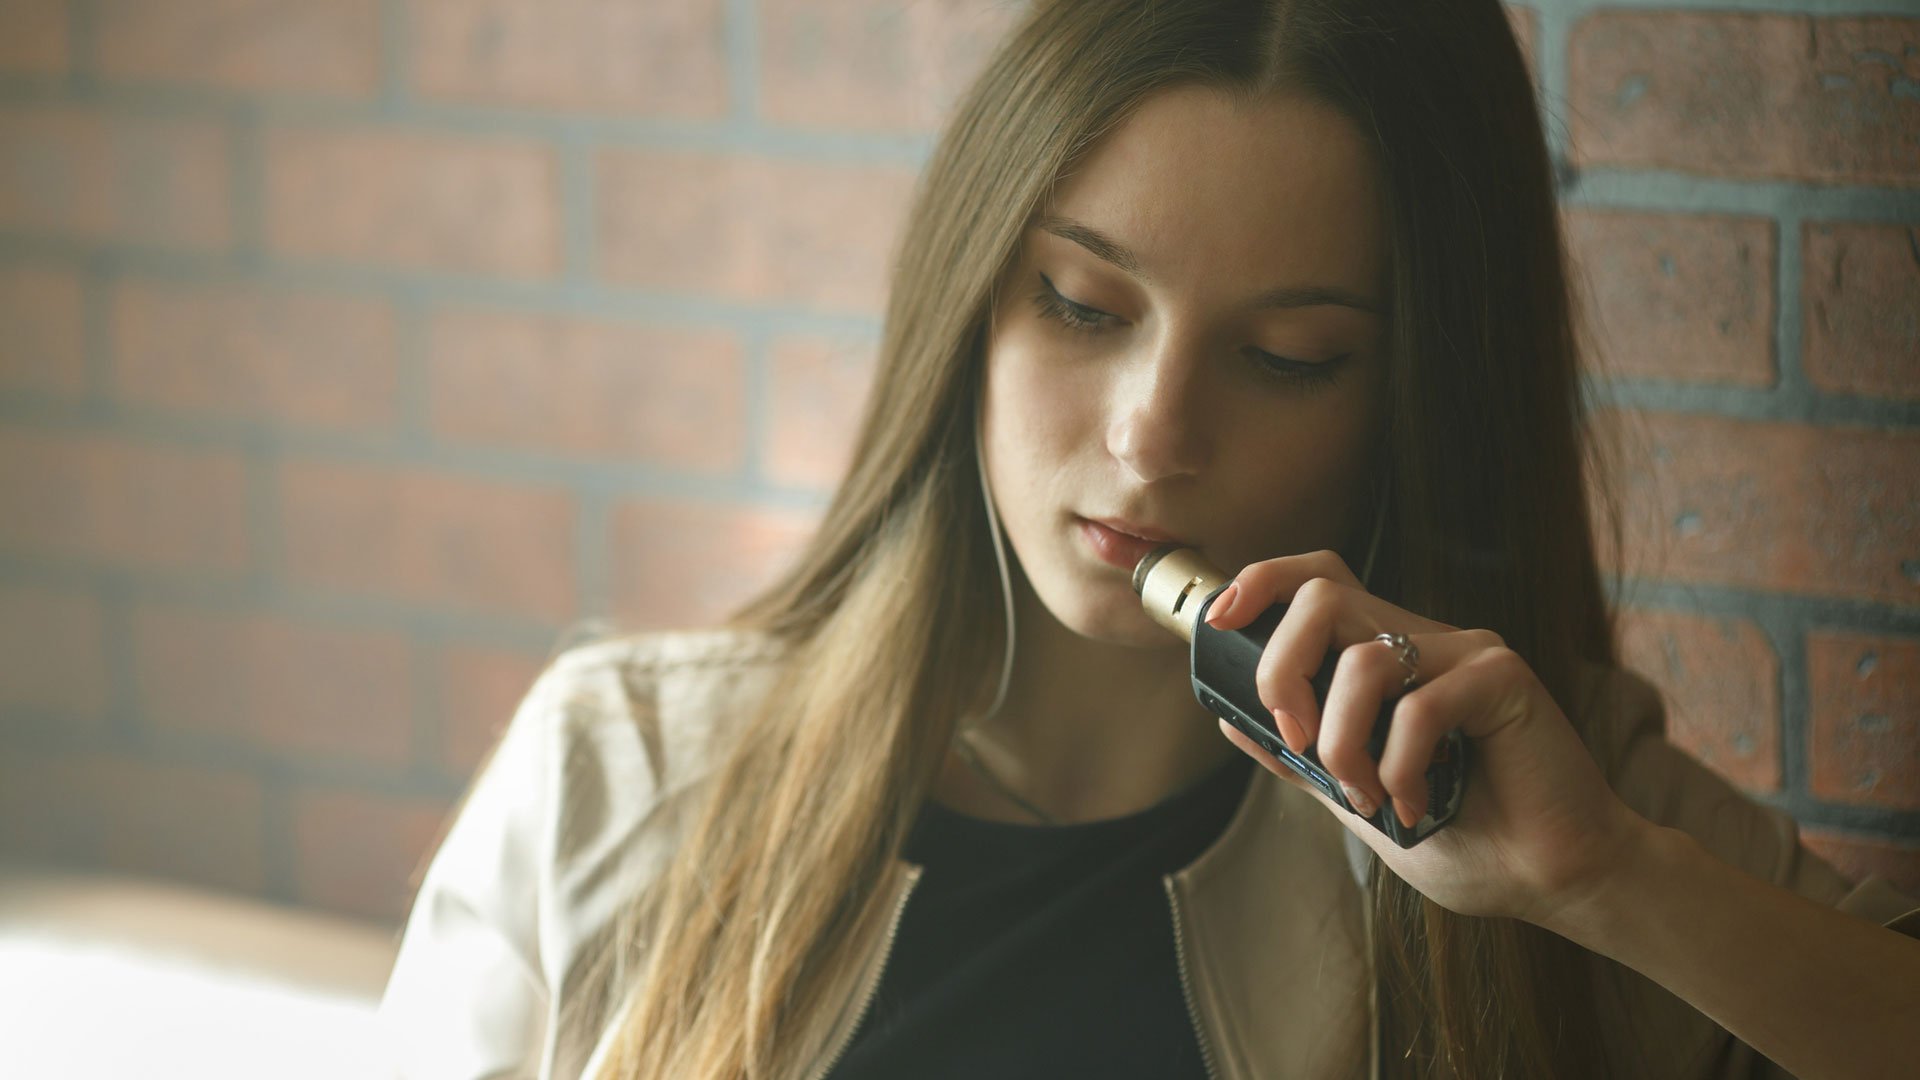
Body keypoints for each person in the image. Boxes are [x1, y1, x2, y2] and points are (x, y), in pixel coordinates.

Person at [375, 1, 1920, 1077]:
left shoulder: (1547, 802)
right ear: (969, 303)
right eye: (1082, 305)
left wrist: (1606, 887)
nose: (1152, 434)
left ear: (1406, 398)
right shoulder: (622, 770)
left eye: (1288, 356)